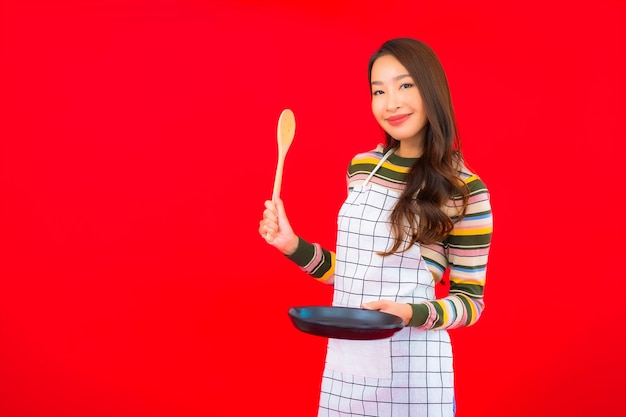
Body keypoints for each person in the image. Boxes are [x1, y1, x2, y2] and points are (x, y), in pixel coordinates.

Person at [258, 37, 493, 417]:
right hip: (349, 366)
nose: (391, 103)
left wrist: (408, 313)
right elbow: (355, 273)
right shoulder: (363, 167)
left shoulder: (464, 189)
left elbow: (470, 303)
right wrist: (293, 246)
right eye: (378, 90)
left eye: (405, 85)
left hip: (416, 368)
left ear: (431, 90)